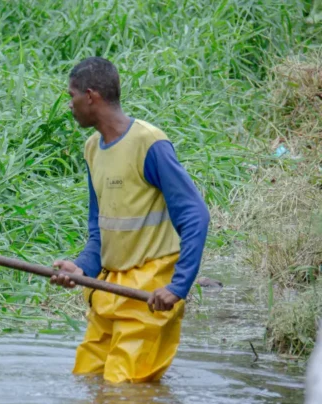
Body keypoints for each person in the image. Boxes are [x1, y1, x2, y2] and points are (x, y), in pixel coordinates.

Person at [50, 57, 210, 384]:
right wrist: (81, 269)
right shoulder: (93, 148)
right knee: (87, 380)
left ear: (91, 96)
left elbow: (196, 216)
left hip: (149, 293)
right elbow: (100, 228)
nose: (70, 105)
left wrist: (178, 287)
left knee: (125, 397)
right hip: (109, 289)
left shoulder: (150, 144)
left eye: (72, 96)